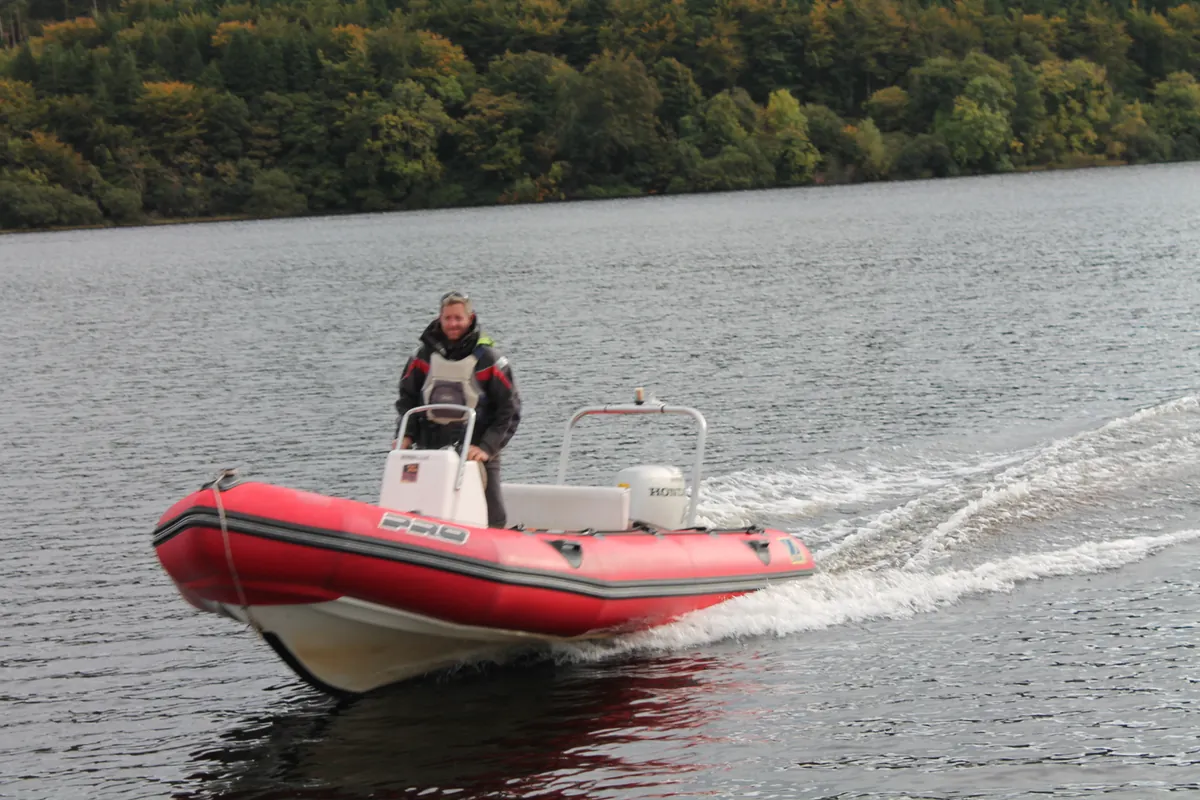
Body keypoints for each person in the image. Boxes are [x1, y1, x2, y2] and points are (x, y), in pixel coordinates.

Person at [393, 291, 521, 528]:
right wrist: (405, 435)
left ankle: (495, 537)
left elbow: (509, 409)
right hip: (430, 446)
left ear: (470, 318)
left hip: (476, 448)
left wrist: (487, 448)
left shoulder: (490, 359)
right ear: (440, 319)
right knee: (420, 502)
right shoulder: (422, 357)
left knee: (491, 511)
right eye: (448, 318)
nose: (453, 324)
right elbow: (407, 400)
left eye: (458, 318)